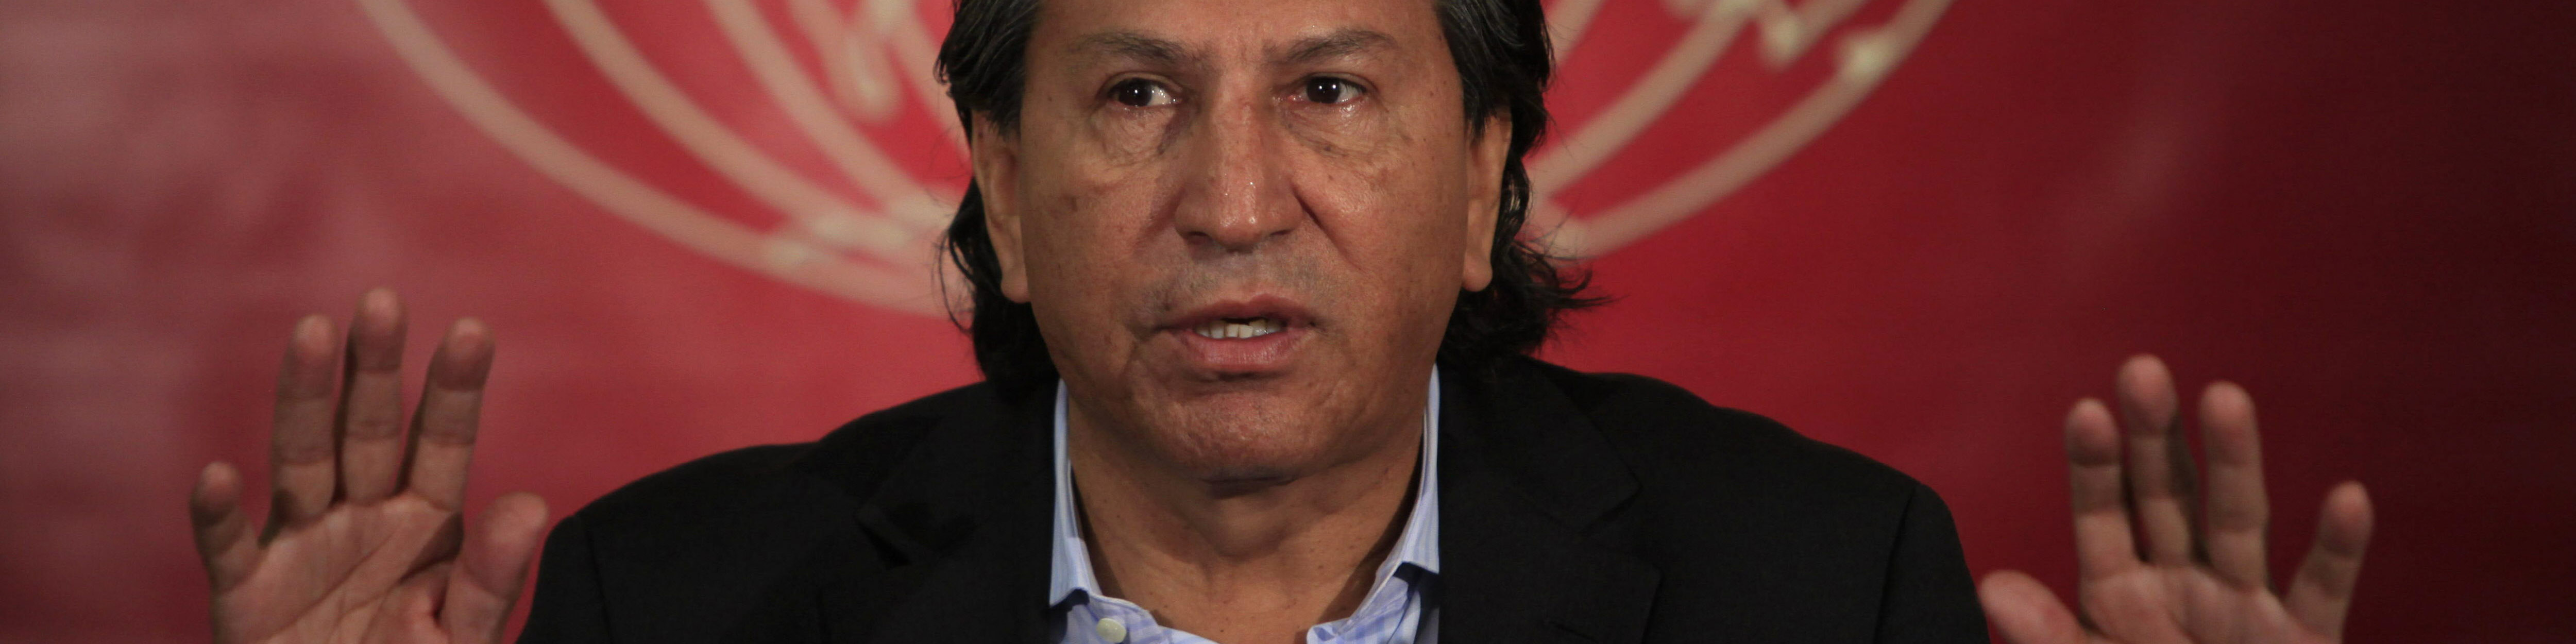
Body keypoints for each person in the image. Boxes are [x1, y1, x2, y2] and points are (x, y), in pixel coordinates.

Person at [184, 0, 2377, 641]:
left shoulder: (1816, 586)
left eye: (1330, 90)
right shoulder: (674, 607)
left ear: (1488, 180)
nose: (1233, 205)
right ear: (1002, 190)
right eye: (1134, 96)